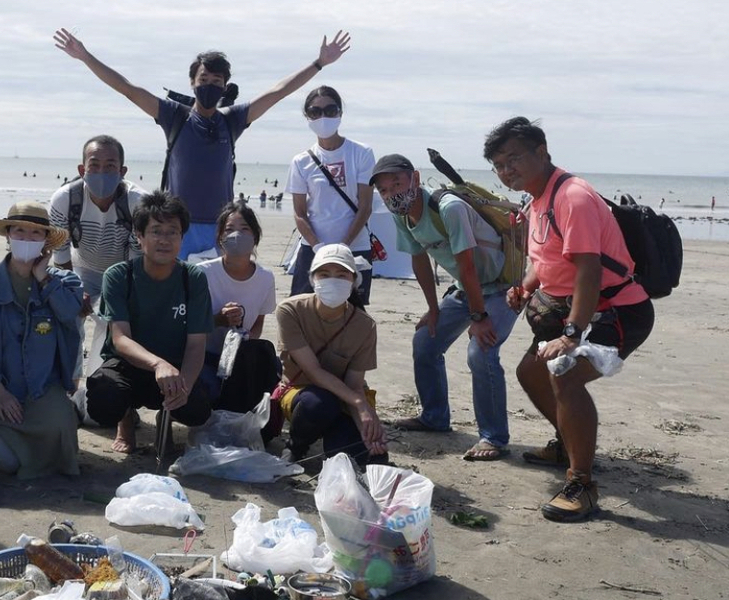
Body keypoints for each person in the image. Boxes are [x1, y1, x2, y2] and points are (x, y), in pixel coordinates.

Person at [53, 29, 351, 259]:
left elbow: (278, 92)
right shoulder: (174, 116)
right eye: (203, 78)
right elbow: (128, 89)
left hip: (222, 228)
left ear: (224, 86)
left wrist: (318, 64)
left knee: (216, 300)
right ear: (192, 83)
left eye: (217, 81)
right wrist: (85, 56)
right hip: (176, 227)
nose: (209, 85)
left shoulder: (231, 120)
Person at [486, 117, 654, 522]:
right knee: (530, 372)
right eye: (499, 165)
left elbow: (588, 270)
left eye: (514, 159)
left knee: (564, 375)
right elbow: (545, 260)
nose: (507, 171)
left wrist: (572, 334)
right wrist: (525, 287)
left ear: (542, 152)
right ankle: (568, 441)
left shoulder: (572, 196)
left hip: (615, 311)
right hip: (571, 308)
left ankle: (582, 483)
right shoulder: (536, 200)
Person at [369, 153, 518, 460]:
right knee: (425, 341)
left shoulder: (449, 208)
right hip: (466, 289)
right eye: (384, 190)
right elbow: (418, 258)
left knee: (482, 351)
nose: (392, 193)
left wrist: (479, 317)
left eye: (397, 183)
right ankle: (435, 417)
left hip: (503, 287)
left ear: (416, 179)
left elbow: (468, 267)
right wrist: (433, 309)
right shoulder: (401, 214)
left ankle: (494, 437)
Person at [85, 191, 214, 453]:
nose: (164, 240)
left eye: (172, 232)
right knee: (103, 401)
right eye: (156, 231)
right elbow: (120, 339)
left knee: (198, 409)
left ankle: (165, 417)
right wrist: (157, 363)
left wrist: (183, 388)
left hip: (174, 369)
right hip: (131, 364)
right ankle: (126, 420)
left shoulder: (193, 278)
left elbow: (196, 344)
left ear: (182, 237)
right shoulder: (120, 275)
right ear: (139, 236)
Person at [0, 202, 82, 478]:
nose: (27, 239)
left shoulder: (64, 282)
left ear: (46, 241)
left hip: (42, 387)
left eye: (35, 233)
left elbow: (69, 313)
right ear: (8, 235)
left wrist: (43, 279)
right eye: (19, 231)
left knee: (63, 433)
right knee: (9, 463)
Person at [275, 243, 387, 466]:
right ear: (313, 279)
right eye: (324, 274)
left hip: (346, 397)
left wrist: (366, 423)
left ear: (354, 282)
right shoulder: (290, 310)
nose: (332, 280)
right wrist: (360, 403)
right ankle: (296, 445)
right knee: (319, 404)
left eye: (342, 274)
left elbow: (355, 383)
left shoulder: (365, 325)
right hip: (303, 393)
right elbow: (314, 372)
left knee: (361, 454)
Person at [49, 135, 144, 378]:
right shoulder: (64, 200)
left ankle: (104, 381)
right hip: (82, 269)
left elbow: (136, 258)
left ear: (122, 171)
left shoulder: (137, 203)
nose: (102, 172)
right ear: (82, 169)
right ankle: (69, 384)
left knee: (112, 325)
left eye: (110, 166)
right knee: (68, 317)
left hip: (121, 271)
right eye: (94, 165)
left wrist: (122, 295)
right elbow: (60, 253)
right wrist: (72, 290)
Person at [286, 86, 375, 301]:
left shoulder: (361, 153)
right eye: (315, 112)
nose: (323, 116)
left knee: (352, 312)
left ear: (340, 113)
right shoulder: (301, 161)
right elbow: (299, 213)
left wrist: (343, 247)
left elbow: (365, 207)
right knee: (304, 307)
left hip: (355, 246)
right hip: (313, 248)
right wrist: (318, 247)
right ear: (307, 117)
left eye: (330, 110)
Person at [197, 203, 280, 422]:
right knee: (207, 395)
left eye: (244, 229)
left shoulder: (265, 278)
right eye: (229, 229)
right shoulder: (203, 273)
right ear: (220, 237)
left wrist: (243, 341)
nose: (237, 235)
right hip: (203, 356)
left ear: (255, 236)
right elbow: (189, 324)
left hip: (240, 359)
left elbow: (258, 322)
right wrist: (218, 320)